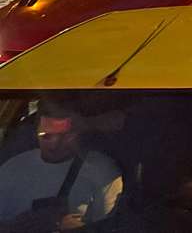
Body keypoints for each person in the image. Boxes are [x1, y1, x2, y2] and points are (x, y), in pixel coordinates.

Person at [0, 96, 123, 229]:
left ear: (79, 132)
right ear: (35, 132)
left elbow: (109, 228)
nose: (54, 145)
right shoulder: (12, 168)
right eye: (46, 136)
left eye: (65, 136)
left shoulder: (102, 171)